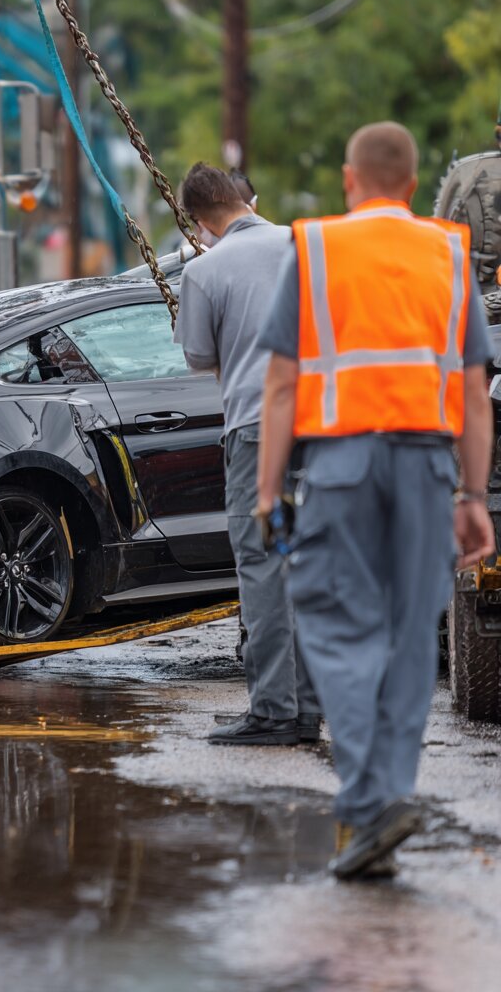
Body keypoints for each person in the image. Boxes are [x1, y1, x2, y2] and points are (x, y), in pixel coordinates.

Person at [256, 121, 496, 880]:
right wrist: (473, 494)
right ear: (416, 182)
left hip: (341, 465)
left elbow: (282, 384)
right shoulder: (448, 254)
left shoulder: (317, 249)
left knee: (335, 629)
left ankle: (371, 802)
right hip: (428, 467)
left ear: (349, 179)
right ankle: (384, 803)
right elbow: (476, 395)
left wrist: (266, 491)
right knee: (407, 639)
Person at [175, 162, 321, 746]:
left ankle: (272, 712)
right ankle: (307, 709)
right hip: (322, 424)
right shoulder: (305, 247)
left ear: (198, 221)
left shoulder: (206, 269)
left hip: (259, 429)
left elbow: (197, 357)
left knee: (263, 567)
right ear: (243, 200)